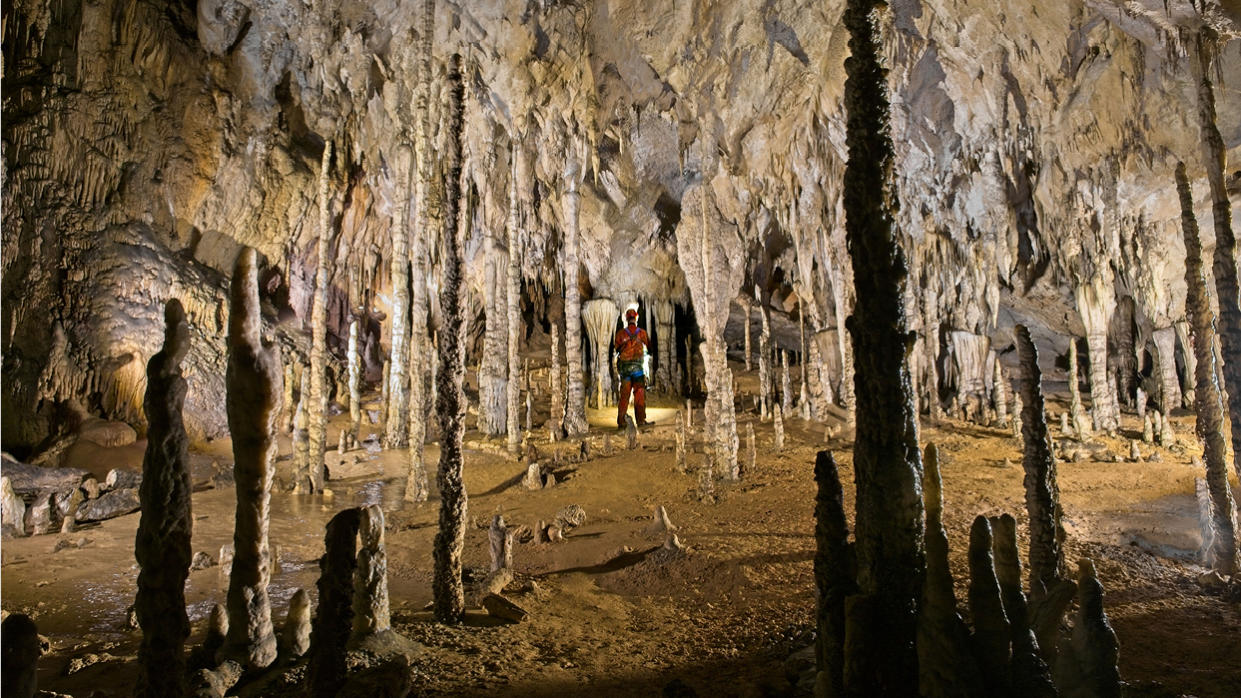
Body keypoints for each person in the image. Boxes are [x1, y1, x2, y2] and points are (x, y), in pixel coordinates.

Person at [614, 306, 651, 429]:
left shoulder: (621, 334)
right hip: (638, 370)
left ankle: (621, 421)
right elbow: (649, 348)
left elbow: (617, 349)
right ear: (635, 318)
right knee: (639, 394)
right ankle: (640, 421)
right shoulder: (641, 333)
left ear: (626, 319)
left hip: (625, 369)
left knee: (624, 395)